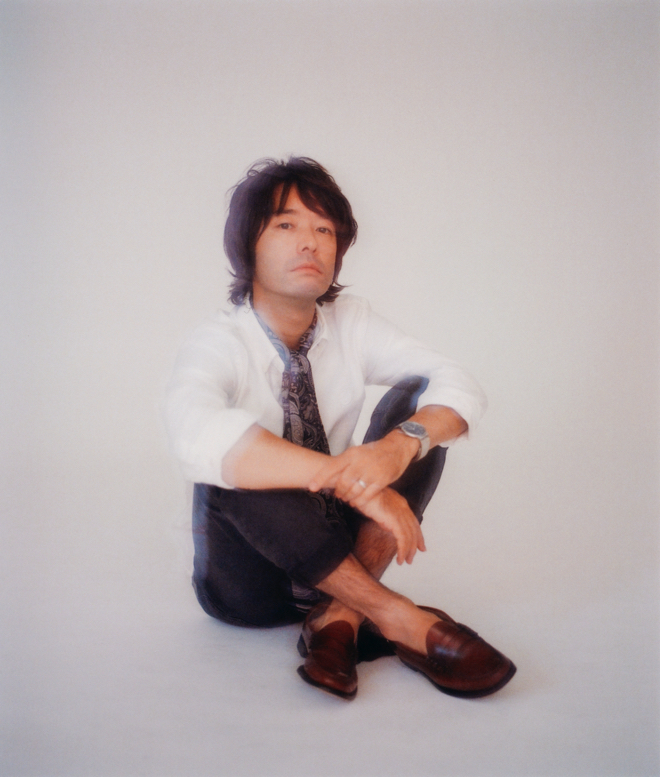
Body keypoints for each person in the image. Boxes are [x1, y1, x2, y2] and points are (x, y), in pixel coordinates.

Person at [165, 157, 515, 700]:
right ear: (247, 245)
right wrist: (356, 484)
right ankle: (396, 617)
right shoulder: (218, 341)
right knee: (235, 455)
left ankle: (339, 619)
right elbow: (195, 431)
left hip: (338, 544)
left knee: (420, 404)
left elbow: (456, 382)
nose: (309, 242)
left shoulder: (351, 321)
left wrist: (398, 448)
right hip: (249, 589)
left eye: (324, 230)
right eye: (286, 224)